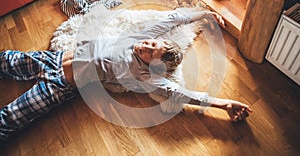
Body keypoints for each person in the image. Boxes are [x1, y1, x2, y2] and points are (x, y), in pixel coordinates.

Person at [0, 8, 252, 142]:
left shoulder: (142, 75)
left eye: (151, 51)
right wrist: (206, 13)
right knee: (6, 59)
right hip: (53, 58)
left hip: (59, 84)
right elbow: (175, 18)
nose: (148, 45)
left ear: (150, 66)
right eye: (153, 43)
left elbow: (180, 94)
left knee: (11, 117)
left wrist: (223, 103)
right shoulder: (139, 38)